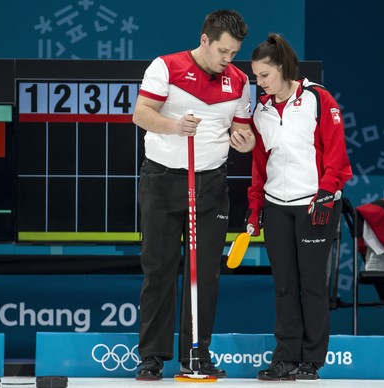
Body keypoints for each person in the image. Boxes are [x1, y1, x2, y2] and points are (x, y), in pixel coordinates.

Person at [132, 9, 255, 381]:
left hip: (211, 184)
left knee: (204, 275)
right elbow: (141, 113)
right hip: (163, 180)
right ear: (205, 40)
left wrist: (244, 141)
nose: (228, 60)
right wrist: (174, 125)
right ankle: (153, 356)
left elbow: (243, 132)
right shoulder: (166, 67)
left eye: (234, 53)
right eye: (222, 51)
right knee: (159, 269)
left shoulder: (239, 81)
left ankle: (196, 356)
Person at [246, 33, 352, 381]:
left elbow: (337, 154)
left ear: (283, 68)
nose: (258, 83)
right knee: (284, 285)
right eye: (256, 76)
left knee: (311, 284)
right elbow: (260, 164)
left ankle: (312, 359)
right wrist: (254, 208)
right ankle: (285, 357)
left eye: (264, 75)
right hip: (277, 206)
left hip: (315, 204)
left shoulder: (319, 99)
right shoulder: (261, 108)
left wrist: (326, 192)